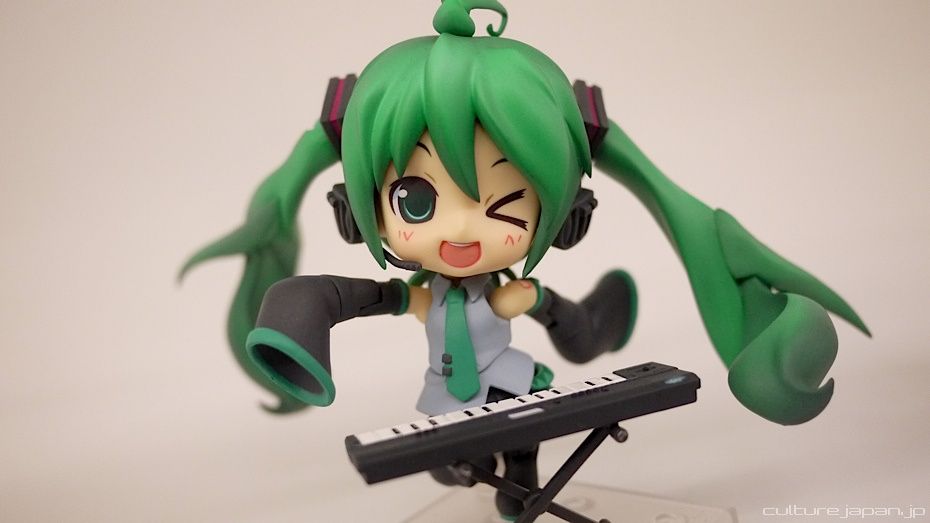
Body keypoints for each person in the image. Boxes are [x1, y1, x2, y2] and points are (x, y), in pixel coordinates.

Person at [180, 0, 870, 518]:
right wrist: (311, 311)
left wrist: (538, 301)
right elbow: (369, 298)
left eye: (507, 203)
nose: (460, 230)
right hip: (449, 394)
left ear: (564, 218)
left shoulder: (508, 288)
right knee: (451, 456)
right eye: (415, 200)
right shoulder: (421, 291)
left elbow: (536, 306)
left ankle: (521, 475)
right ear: (355, 211)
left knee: (518, 441)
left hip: (509, 384)